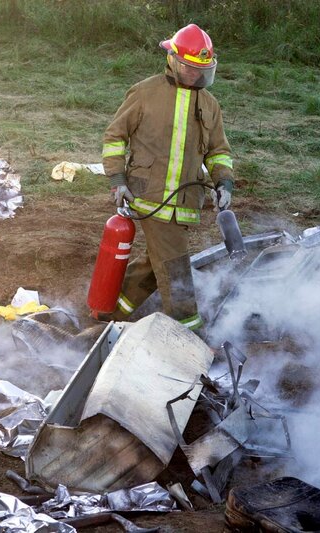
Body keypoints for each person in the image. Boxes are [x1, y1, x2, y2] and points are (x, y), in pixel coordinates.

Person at [101, 23, 234, 332]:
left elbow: (219, 152)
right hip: (147, 195)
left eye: (199, 69)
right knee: (175, 268)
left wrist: (224, 182)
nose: (193, 74)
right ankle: (188, 330)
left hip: (185, 201)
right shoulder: (145, 92)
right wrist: (117, 180)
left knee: (156, 261)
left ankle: (111, 311)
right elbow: (114, 137)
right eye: (187, 67)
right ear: (173, 59)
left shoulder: (210, 106)